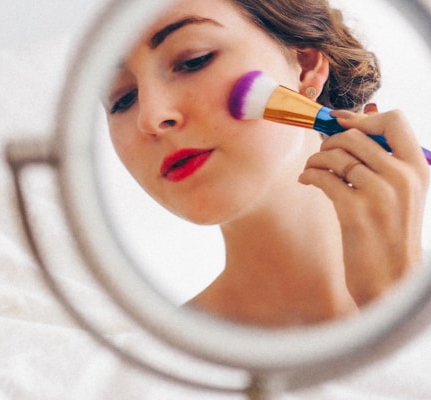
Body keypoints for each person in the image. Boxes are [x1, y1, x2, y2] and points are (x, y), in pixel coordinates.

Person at [104, 0, 429, 326]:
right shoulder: (137, 364)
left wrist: (397, 305)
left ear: (304, 65)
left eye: (194, 60)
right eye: (121, 99)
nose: (151, 116)